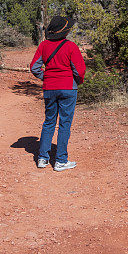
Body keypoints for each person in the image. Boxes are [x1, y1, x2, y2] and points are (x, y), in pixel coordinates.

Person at [29, 15, 86, 171]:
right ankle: (61, 160)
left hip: (49, 88)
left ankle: (42, 158)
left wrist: (46, 76)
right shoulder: (71, 46)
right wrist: (77, 82)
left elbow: (34, 67)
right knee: (64, 124)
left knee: (49, 122)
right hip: (68, 88)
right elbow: (79, 70)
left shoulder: (43, 46)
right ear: (65, 32)